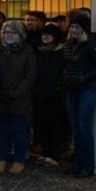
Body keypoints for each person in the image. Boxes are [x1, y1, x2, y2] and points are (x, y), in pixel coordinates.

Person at [0, 20, 37, 175]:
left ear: (20, 35)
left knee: (20, 131)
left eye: (13, 32)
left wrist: (17, 92)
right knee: (2, 131)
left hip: (20, 99)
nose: (9, 35)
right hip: (1, 97)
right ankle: (1, 159)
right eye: (6, 32)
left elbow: (30, 75)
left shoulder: (27, 51)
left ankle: (18, 160)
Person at [63, 13, 96, 178]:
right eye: (72, 27)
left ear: (83, 29)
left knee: (84, 127)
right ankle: (78, 164)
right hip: (72, 90)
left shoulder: (91, 46)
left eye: (77, 27)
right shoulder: (68, 45)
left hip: (87, 90)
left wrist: (82, 79)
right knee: (76, 128)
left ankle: (88, 166)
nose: (74, 30)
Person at [33, 23, 66, 166]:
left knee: (55, 124)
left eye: (49, 34)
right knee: (42, 123)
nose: (45, 37)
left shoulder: (61, 52)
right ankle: (46, 152)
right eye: (43, 34)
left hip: (56, 94)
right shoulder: (39, 51)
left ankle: (54, 154)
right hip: (39, 93)